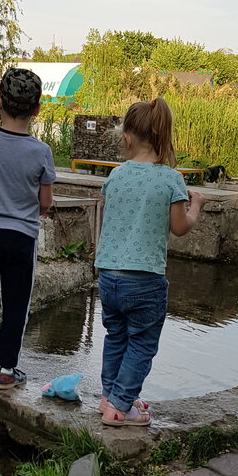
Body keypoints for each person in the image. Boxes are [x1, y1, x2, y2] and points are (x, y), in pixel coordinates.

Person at [95, 97, 204, 427]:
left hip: (109, 276)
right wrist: (195, 206)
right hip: (145, 279)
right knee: (141, 343)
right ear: (164, 136)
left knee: (116, 337)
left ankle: (109, 397)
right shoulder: (171, 179)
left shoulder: (116, 176)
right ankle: (119, 408)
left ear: (127, 137)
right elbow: (180, 227)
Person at [0, 67, 55, 389]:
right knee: (17, 302)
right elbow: (45, 202)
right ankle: (6, 370)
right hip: (21, 236)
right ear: (37, 109)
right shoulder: (41, 151)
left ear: (0, 103)